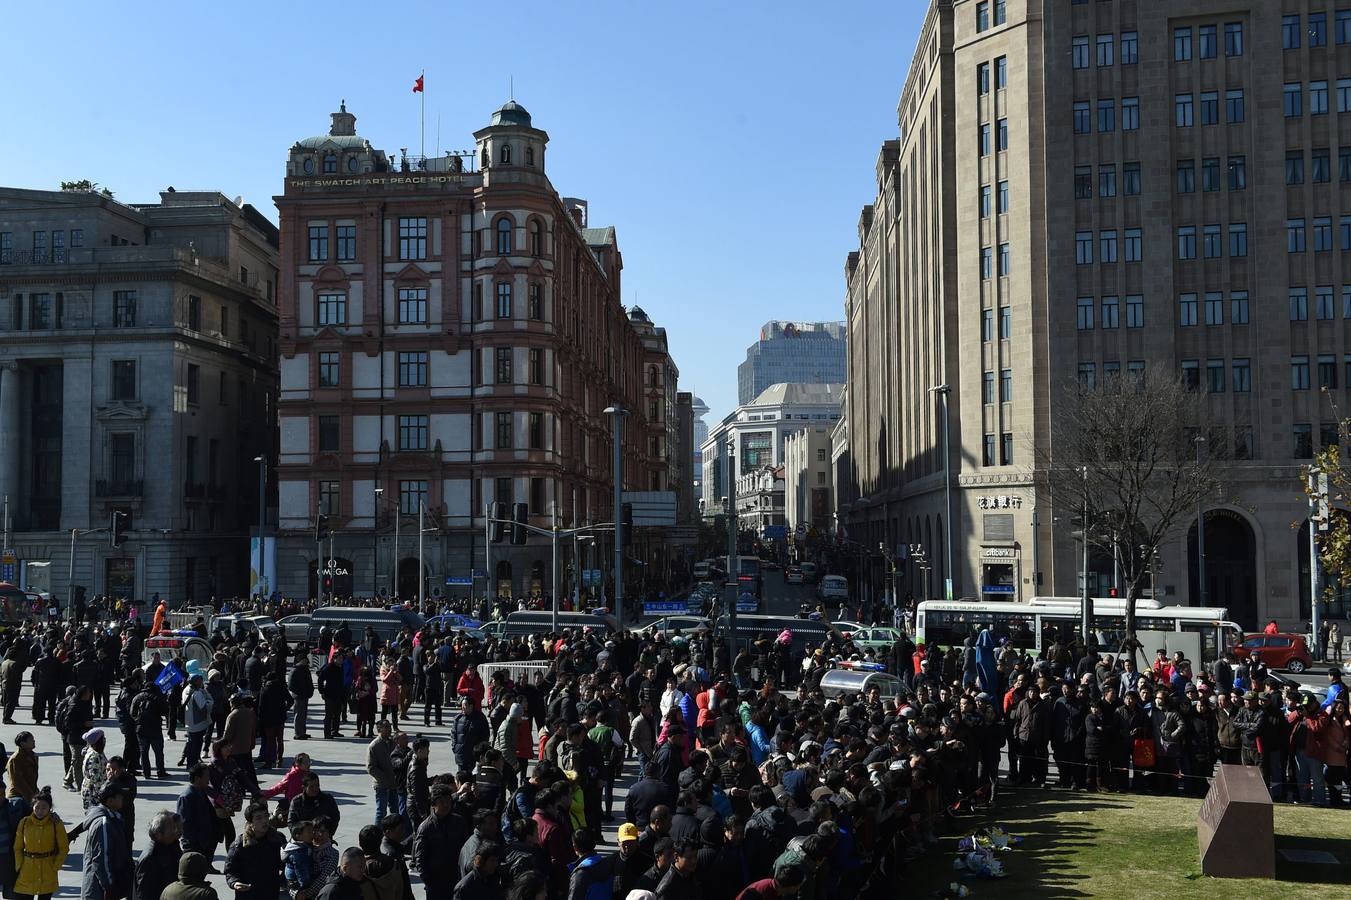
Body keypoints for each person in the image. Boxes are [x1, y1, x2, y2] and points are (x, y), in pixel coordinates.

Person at [414, 784, 469, 900]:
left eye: (448, 801)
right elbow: (420, 858)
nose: (446, 805)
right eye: (442, 802)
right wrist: (428, 881)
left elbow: (466, 847)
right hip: (435, 882)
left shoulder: (459, 822)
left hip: (456, 878)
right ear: (433, 805)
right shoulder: (426, 828)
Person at [13, 788, 67, 900]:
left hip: (48, 869)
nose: (40, 811)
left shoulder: (55, 823)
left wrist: (56, 865)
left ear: (50, 808)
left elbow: (64, 847)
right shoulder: (25, 822)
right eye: (37, 807)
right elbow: (17, 847)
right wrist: (19, 864)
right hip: (27, 870)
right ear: (32, 807)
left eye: (44, 808)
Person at [224, 802, 285, 900]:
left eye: (266, 816)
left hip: (271, 892)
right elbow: (230, 871)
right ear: (250, 823)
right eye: (259, 818)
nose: (264, 820)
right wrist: (234, 883)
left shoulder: (277, 839)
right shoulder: (240, 845)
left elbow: (285, 863)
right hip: (247, 894)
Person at [80, 784, 132, 900]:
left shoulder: (113, 818)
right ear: (110, 801)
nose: (122, 798)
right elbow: (101, 859)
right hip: (98, 891)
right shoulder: (103, 823)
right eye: (119, 796)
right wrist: (109, 888)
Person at [134, 810, 183, 900]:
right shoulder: (150, 857)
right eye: (171, 828)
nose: (175, 831)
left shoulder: (170, 846)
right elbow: (144, 893)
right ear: (159, 834)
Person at [178, 764, 218, 855]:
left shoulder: (201, 791)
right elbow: (185, 825)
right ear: (197, 778)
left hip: (205, 843)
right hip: (196, 846)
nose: (209, 779)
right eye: (206, 776)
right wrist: (198, 842)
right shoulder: (187, 797)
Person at [368, 721, 399, 824]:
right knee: (381, 812)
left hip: (394, 783)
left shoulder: (393, 743)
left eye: (390, 726)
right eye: (386, 727)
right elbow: (371, 767)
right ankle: (377, 834)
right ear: (379, 729)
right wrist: (384, 777)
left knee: (395, 811)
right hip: (381, 784)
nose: (389, 729)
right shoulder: (374, 746)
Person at [183, 674, 215, 769]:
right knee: (196, 746)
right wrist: (209, 700)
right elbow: (204, 708)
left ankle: (190, 763)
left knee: (191, 744)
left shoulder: (186, 689)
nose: (202, 682)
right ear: (196, 681)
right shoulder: (197, 693)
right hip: (198, 723)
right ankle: (193, 765)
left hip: (189, 722)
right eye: (200, 680)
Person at [7, 732, 38, 803]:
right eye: (31, 740)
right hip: (18, 796)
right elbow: (17, 782)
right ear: (23, 744)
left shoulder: (33, 756)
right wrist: (31, 797)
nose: (34, 741)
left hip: (31, 794)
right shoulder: (15, 759)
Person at [290, 655, 315, 741]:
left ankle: (303, 732)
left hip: (305, 695)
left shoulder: (306, 669)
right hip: (298, 696)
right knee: (298, 715)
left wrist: (310, 691)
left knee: (303, 715)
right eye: (303, 660)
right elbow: (291, 685)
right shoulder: (295, 670)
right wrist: (298, 692)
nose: (305, 661)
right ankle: (298, 733)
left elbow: (310, 681)